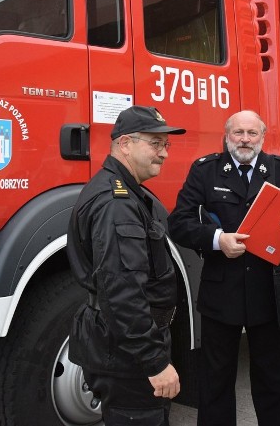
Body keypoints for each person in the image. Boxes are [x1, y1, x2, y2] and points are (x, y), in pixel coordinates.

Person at [168, 110, 280, 426]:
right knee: (215, 384)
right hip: (222, 295)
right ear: (227, 135)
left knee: (273, 385)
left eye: (252, 133)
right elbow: (178, 223)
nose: (245, 139)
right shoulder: (205, 171)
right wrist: (218, 239)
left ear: (262, 137)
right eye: (238, 133)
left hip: (269, 295)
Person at [67, 105, 186, 425]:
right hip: (127, 356)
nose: (163, 153)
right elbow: (122, 292)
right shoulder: (116, 203)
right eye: (155, 143)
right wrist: (155, 363)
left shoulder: (123, 193)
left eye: (166, 145)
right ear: (124, 144)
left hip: (120, 346)